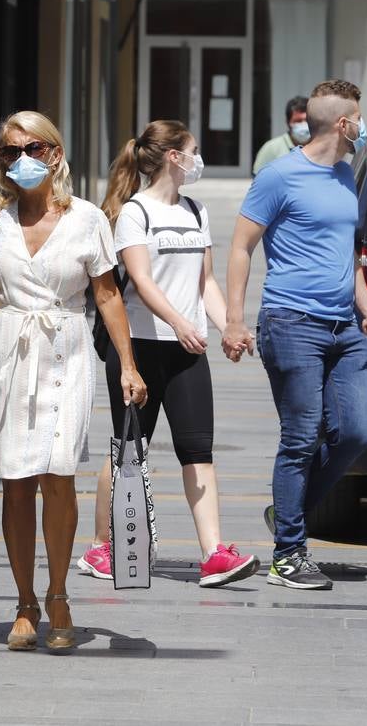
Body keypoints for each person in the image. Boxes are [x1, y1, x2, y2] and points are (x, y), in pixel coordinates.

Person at [0, 111, 146, 652]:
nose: (21, 160)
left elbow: (107, 295)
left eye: (33, 149)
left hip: (66, 349)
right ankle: (25, 602)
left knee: (58, 473)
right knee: (16, 478)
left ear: (55, 155)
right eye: (10, 151)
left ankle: (59, 594)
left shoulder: (87, 220)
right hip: (7, 350)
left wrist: (128, 365)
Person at [77, 120, 260, 588]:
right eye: (193, 150)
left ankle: (214, 553)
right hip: (138, 349)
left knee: (198, 448)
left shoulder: (196, 211)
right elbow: (141, 280)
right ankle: (102, 547)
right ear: (174, 157)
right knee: (128, 449)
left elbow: (206, 284)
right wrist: (180, 323)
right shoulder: (134, 212)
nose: (199, 158)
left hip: (187, 351)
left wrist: (228, 327)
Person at [223, 79, 367, 591]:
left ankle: (287, 510)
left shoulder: (344, 175)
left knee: (356, 432)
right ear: (342, 124)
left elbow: (348, 255)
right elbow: (241, 248)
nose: (362, 125)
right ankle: (288, 554)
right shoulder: (279, 176)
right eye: (357, 117)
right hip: (292, 323)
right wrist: (233, 319)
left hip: (345, 327)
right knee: (300, 436)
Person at [252, 96, 310, 176]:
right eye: (298, 121)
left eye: (307, 120)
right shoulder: (271, 148)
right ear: (287, 122)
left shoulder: (321, 147)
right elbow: (258, 180)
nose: (304, 124)